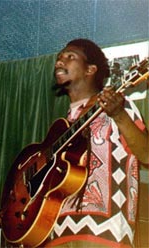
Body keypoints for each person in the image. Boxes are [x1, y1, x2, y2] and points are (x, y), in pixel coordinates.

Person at [45, 39, 148, 247]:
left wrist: (118, 114)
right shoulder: (63, 126)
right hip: (55, 232)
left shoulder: (119, 106)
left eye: (69, 56)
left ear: (90, 69)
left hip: (103, 232)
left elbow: (147, 156)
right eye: (59, 58)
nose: (59, 62)